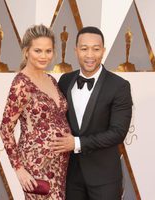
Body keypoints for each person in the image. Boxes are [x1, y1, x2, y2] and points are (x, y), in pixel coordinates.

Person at [51, 26, 133, 200]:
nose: (90, 55)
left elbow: (118, 133)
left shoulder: (119, 86)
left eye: (96, 49)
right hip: (71, 176)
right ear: (75, 50)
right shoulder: (65, 81)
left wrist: (77, 143)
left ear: (103, 51)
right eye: (84, 49)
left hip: (105, 178)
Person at [0, 24, 71, 200]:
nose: (43, 56)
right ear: (26, 52)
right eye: (38, 51)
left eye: (48, 51)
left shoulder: (51, 80)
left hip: (60, 164)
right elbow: (5, 129)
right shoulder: (21, 84)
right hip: (37, 164)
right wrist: (19, 169)